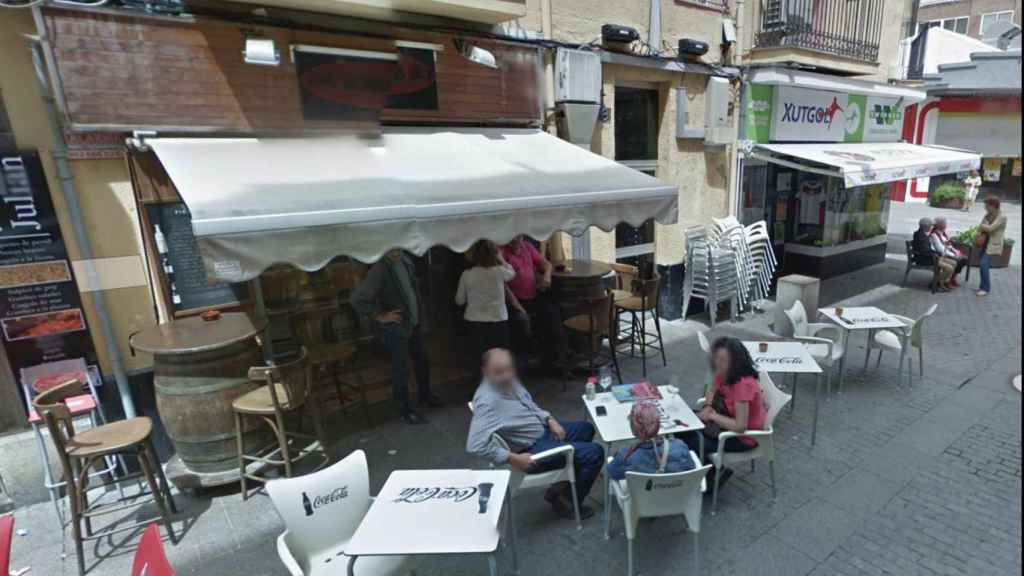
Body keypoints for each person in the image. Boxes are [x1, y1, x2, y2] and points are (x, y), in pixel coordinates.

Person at [466, 348, 603, 519]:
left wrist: (550, 419)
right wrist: (512, 458)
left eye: (509, 368)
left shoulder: (508, 381)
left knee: (586, 428)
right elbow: (474, 445)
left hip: (543, 430)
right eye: (500, 372)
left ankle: (562, 484)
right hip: (532, 449)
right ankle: (567, 501)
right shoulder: (486, 402)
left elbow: (531, 406)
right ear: (485, 372)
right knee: (595, 453)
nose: (507, 375)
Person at [351, 249, 441, 425]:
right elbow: (358, 299)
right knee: (401, 369)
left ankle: (425, 396)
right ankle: (405, 410)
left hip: (412, 324)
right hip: (397, 328)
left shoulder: (405, 261)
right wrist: (380, 316)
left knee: (422, 360)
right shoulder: (380, 269)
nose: (395, 250)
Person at [679, 337, 766, 489]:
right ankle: (705, 470)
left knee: (690, 439)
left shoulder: (743, 385)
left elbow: (740, 426)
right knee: (681, 423)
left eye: (723, 359)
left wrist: (712, 416)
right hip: (724, 421)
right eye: (716, 358)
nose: (717, 363)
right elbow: (711, 389)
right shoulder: (724, 373)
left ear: (735, 362)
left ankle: (713, 475)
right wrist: (707, 406)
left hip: (743, 438)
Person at [501, 236, 567, 372]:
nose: (515, 241)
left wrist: (547, 276)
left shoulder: (527, 246)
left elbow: (546, 264)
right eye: (512, 238)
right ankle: (529, 360)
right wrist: (517, 306)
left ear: (522, 237)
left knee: (553, 313)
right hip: (514, 300)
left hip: (533, 296)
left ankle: (558, 361)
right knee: (521, 320)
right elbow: (503, 285)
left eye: (518, 238)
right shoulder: (503, 252)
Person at [455, 240, 516, 371]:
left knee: (479, 360)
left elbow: (459, 300)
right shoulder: (500, 271)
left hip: (475, 322)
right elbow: (512, 273)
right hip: (498, 320)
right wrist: (501, 259)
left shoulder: (467, 274)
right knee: (499, 360)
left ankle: (481, 387)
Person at [606, 401, 695, 481]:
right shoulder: (680, 446)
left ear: (633, 429)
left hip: (643, 498)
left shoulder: (626, 456)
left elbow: (611, 473)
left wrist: (618, 457)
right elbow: (691, 469)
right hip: (679, 497)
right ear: (658, 424)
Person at [976, 196, 1008, 297]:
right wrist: (980, 230)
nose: (985, 207)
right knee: (983, 266)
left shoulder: (1002, 217)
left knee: (983, 264)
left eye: (986, 205)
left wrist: (982, 226)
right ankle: (982, 286)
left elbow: (990, 229)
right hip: (985, 242)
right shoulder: (988, 215)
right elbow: (981, 226)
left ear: (993, 206)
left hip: (993, 244)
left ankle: (985, 288)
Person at [912, 217, 953, 291]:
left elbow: (927, 250)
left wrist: (937, 254)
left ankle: (941, 283)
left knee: (953, 263)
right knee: (949, 268)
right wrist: (937, 254)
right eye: (931, 226)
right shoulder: (921, 236)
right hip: (925, 260)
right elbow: (925, 251)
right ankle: (935, 283)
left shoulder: (922, 233)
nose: (932, 227)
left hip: (929, 257)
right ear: (927, 227)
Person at [929, 216, 967, 288]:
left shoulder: (943, 233)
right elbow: (940, 249)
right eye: (945, 223)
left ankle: (951, 279)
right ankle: (947, 280)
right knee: (960, 260)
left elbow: (949, 245)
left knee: (964, 259)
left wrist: (956, 252)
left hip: (945, 254)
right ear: (940, 225)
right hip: (941, 255)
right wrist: (954, 255)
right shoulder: (934, 235)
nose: (946, 225)